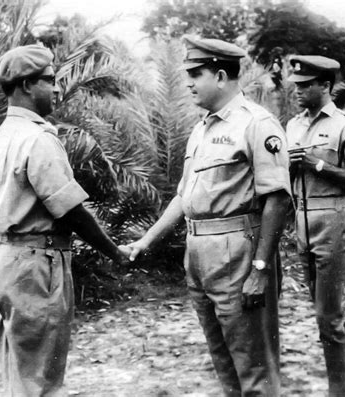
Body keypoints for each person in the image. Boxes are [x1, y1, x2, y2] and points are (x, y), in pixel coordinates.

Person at [123, 36, 291, 396]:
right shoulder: (202, 129)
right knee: (223, 361)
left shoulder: (257, 124)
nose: (187, 82)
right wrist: (147, 240)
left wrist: (260, 270)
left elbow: (278, 199)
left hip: (238, 253)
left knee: (254, 367)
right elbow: (185, 196)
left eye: (195, 74)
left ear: (219, 75)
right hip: (199, 252)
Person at [0, 44, 131, 396]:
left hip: (4, 260)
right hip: (34, 267)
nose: (58, 88)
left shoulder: (3, 136)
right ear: (27, 86)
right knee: (41, 384)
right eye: (50, 80)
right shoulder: (38, 138)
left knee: (19, 379)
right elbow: (71, 210)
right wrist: (115, 252)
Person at [286, 55, 345, 397]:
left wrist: (317, 165)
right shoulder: (292, 126)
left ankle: (342, 392)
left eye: (306, 85)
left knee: (328, 319)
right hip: (302, 219)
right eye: (297, 85)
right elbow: (284, 175)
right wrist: (291, 169)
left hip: (332, 219)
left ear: (326, 85)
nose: (299, 90)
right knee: (328, 315)